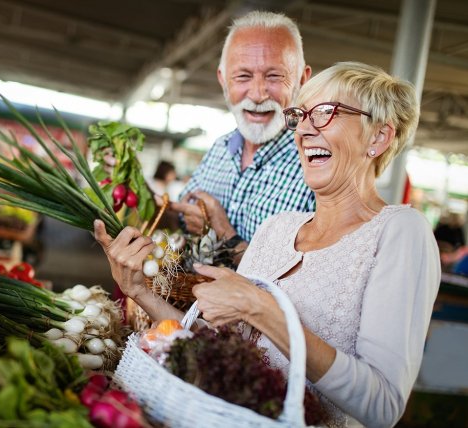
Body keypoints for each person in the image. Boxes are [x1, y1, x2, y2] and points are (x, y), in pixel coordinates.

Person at [94, 62, 441, 427]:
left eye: (325, 113)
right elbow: (219, 351)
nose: (304, 129)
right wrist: (140, 292)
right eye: (300, 115)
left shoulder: (400, 231)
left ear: (379, 138)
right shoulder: (275, 229)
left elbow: (383, 406)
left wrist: (261, 308)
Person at [169, 11, 315, 259]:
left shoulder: (316, 163)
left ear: (302, 79)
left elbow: (305, 279)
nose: (258, 94)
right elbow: (181, 222)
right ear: (223, 80)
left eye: (274, 76)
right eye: (243, 76)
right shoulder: (220, 147)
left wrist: (223, 231)